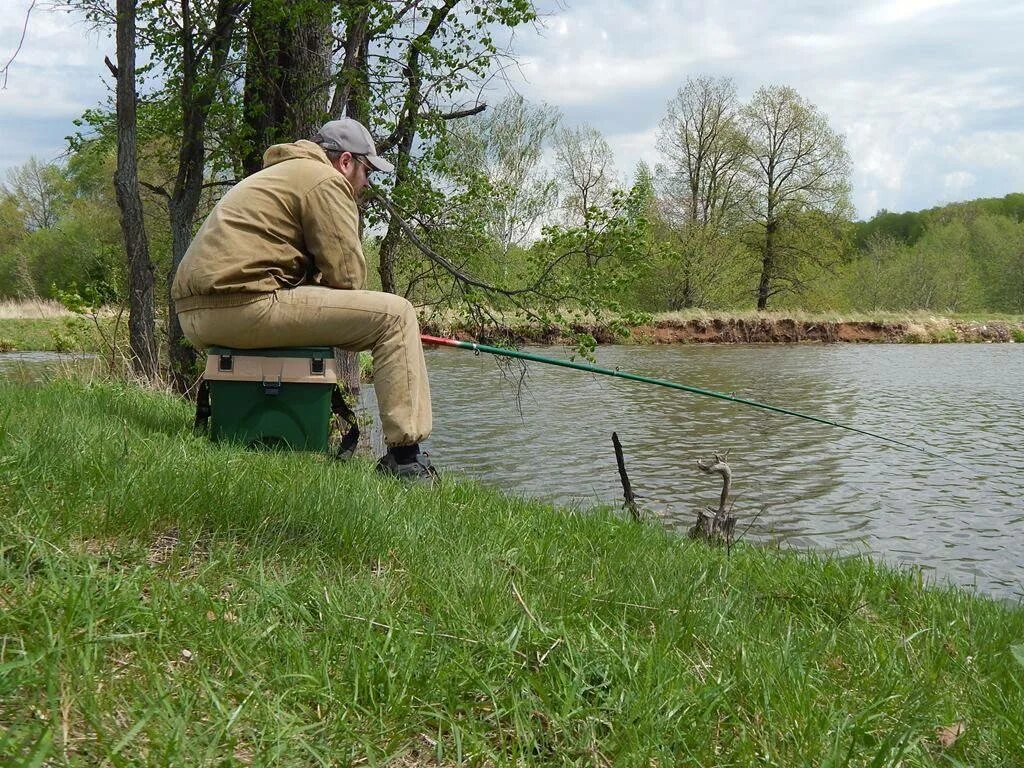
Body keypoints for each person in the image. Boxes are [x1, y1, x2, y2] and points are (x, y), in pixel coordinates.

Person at [172, 117, 437, 483]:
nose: (366, 184)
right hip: (243, 307)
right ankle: (406, 462)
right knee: (397, 315)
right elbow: (348, 279)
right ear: (346, 161)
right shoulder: (324, 180)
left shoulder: (277, 175)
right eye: (366, 172)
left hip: (197, 315)